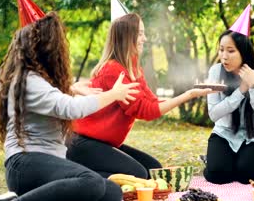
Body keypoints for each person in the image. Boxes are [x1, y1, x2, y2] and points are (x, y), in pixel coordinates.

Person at [0, 12, 139, 201]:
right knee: (90, 182)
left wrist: (72, 88)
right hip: (26, 164)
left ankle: (20, 199)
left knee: (111, 193)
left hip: (45, 166)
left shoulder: (37, 80)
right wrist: (113, 94)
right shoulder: (29, 81)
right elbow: (69, 109)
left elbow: (56, 97)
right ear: (45, 50)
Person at [66, 13, 213, 179]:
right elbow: (146, 111)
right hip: (85, 144)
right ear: (128, 37)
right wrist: (188, 95)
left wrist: (190, 93)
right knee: (139, 175)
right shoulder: (112, 70)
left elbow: (152, 103)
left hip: (105, 144)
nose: (145, 39)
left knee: (154, 170)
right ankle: (78, 174)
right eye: (140, 34)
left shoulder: (134, 70)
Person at [203, 29, 254, 184]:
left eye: (231, 51)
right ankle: (214, 160)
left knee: (248, 175)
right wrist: (241, 90)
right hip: (223, 134)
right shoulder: (216, 71)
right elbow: (214, 114)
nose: (224, 56)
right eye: (221, 50)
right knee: (217, 174)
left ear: (244, 52)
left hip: (253, 136)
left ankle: (237, 161)